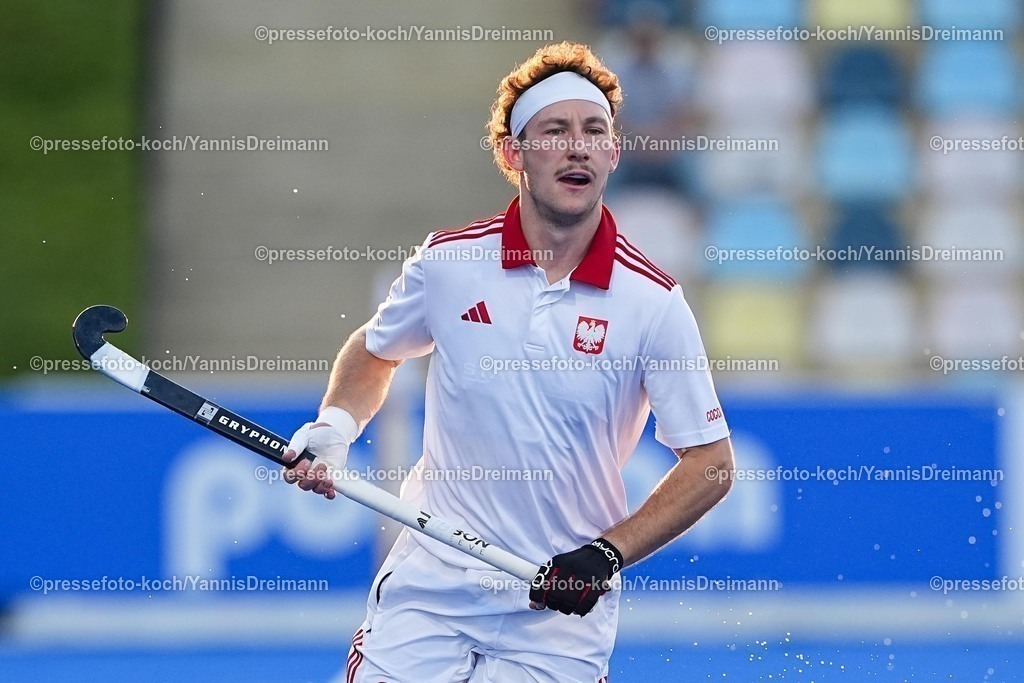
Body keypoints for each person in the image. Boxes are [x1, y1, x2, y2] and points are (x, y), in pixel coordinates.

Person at [282, 41, 734, 682]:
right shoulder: (447, 263)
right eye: (555, 131)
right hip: (430, 589)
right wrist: (333, 429)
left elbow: (711, 464)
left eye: (594, 131)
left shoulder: (653, 303)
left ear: (612, 153)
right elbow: (375, 349)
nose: (577, 146)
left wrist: (608, 554)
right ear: (512, 154)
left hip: (558, 616)